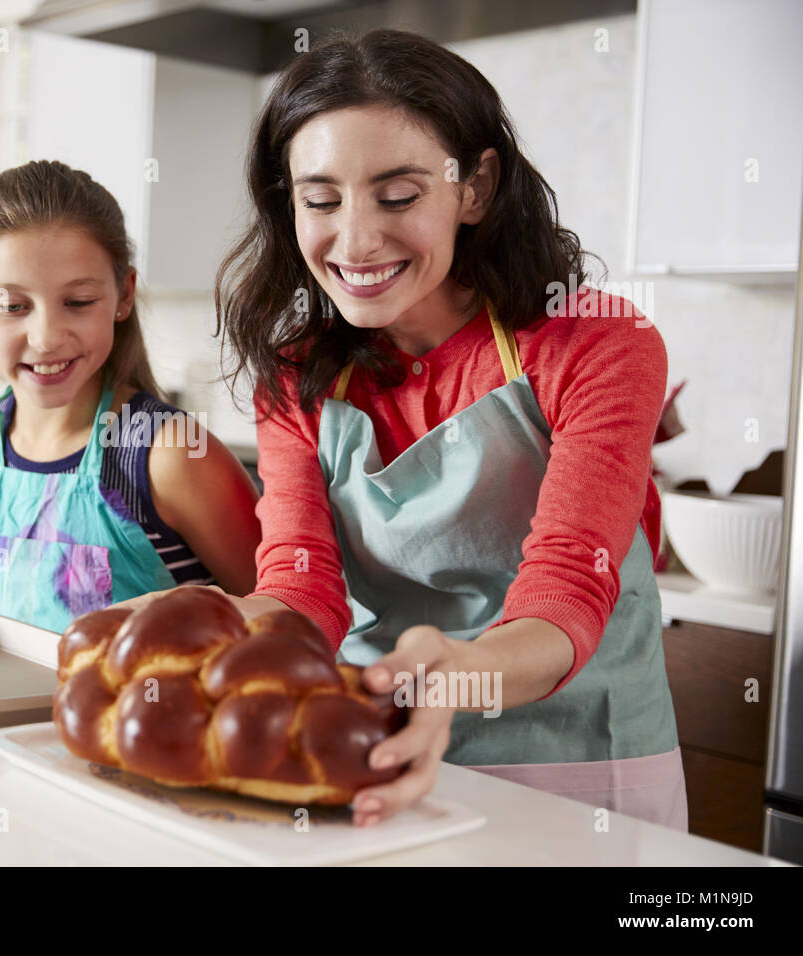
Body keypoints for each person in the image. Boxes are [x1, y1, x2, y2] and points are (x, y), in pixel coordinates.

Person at [129, 28, 687, 831]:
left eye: (397, 196)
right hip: (379, 751)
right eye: (320, 200)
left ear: (476, 187)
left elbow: (567, 590)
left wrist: (453, 676)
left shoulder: (596, 343)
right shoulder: (297, 372)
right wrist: (203, 631)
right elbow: (301, 589)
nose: (355, 240)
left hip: (584, 770)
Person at [0, 160, 261, 633]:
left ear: (123, 295)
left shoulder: (170, 455)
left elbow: (287, 624)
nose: (47, 336)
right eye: (13, 306)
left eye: (78, 302)